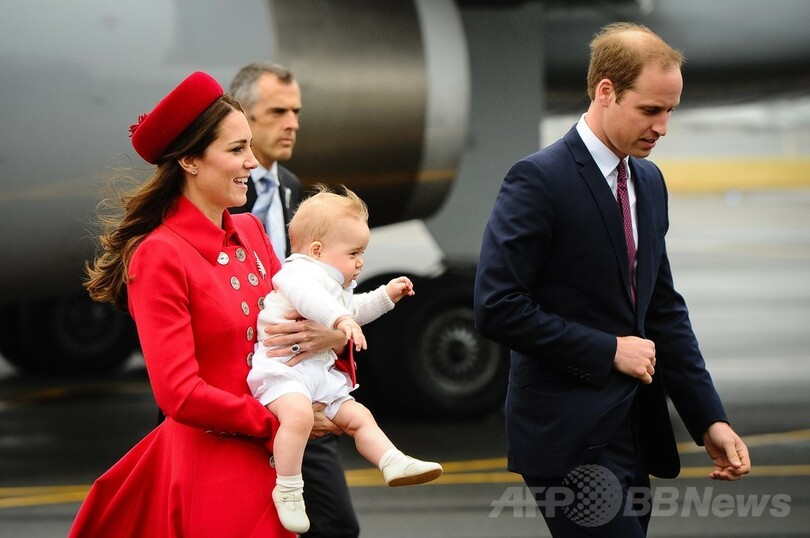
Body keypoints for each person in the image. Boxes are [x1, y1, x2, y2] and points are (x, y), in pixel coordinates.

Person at [473, 22, 751, 537]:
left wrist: (708, 418)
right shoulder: (538, 179)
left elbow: (662, 311)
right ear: (606, 91)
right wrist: (607, 350)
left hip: (633, 432)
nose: (663, 126)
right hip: (567, 436)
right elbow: (497, 306)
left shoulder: (647, 179)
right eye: (650, 110)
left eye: (670, 111)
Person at [70, 71, 347, 537]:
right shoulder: (159, 254)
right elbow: (178, 392)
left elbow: (291, 327)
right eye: (236, 150)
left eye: (249, 148)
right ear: (191, 161)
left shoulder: (252, 234)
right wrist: (278, 420)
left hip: (272, 456)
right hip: (212, 466)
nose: (252, 164)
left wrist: (334, 337)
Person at [247, 184, 443, 533]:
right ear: (318, 250)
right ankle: (289, 488)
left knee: (358, 416)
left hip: (316, 374)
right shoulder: (298, 273)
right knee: (297, 417)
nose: (361, 261)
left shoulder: (334, 286)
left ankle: (392, 461)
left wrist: (387, 295)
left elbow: (355, 308)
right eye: (354, 252)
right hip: (283, 373)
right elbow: (313, 302)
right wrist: (341, 321)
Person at [228, 62, 360, 537]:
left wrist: (333, 330)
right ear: (241, 116)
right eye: (278, 111)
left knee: (337, 526)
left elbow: (328, 287)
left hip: (301, 382)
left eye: (297, 111)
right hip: (236, 384)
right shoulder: (218, 194)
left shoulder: (293, 190)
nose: (293, 123)